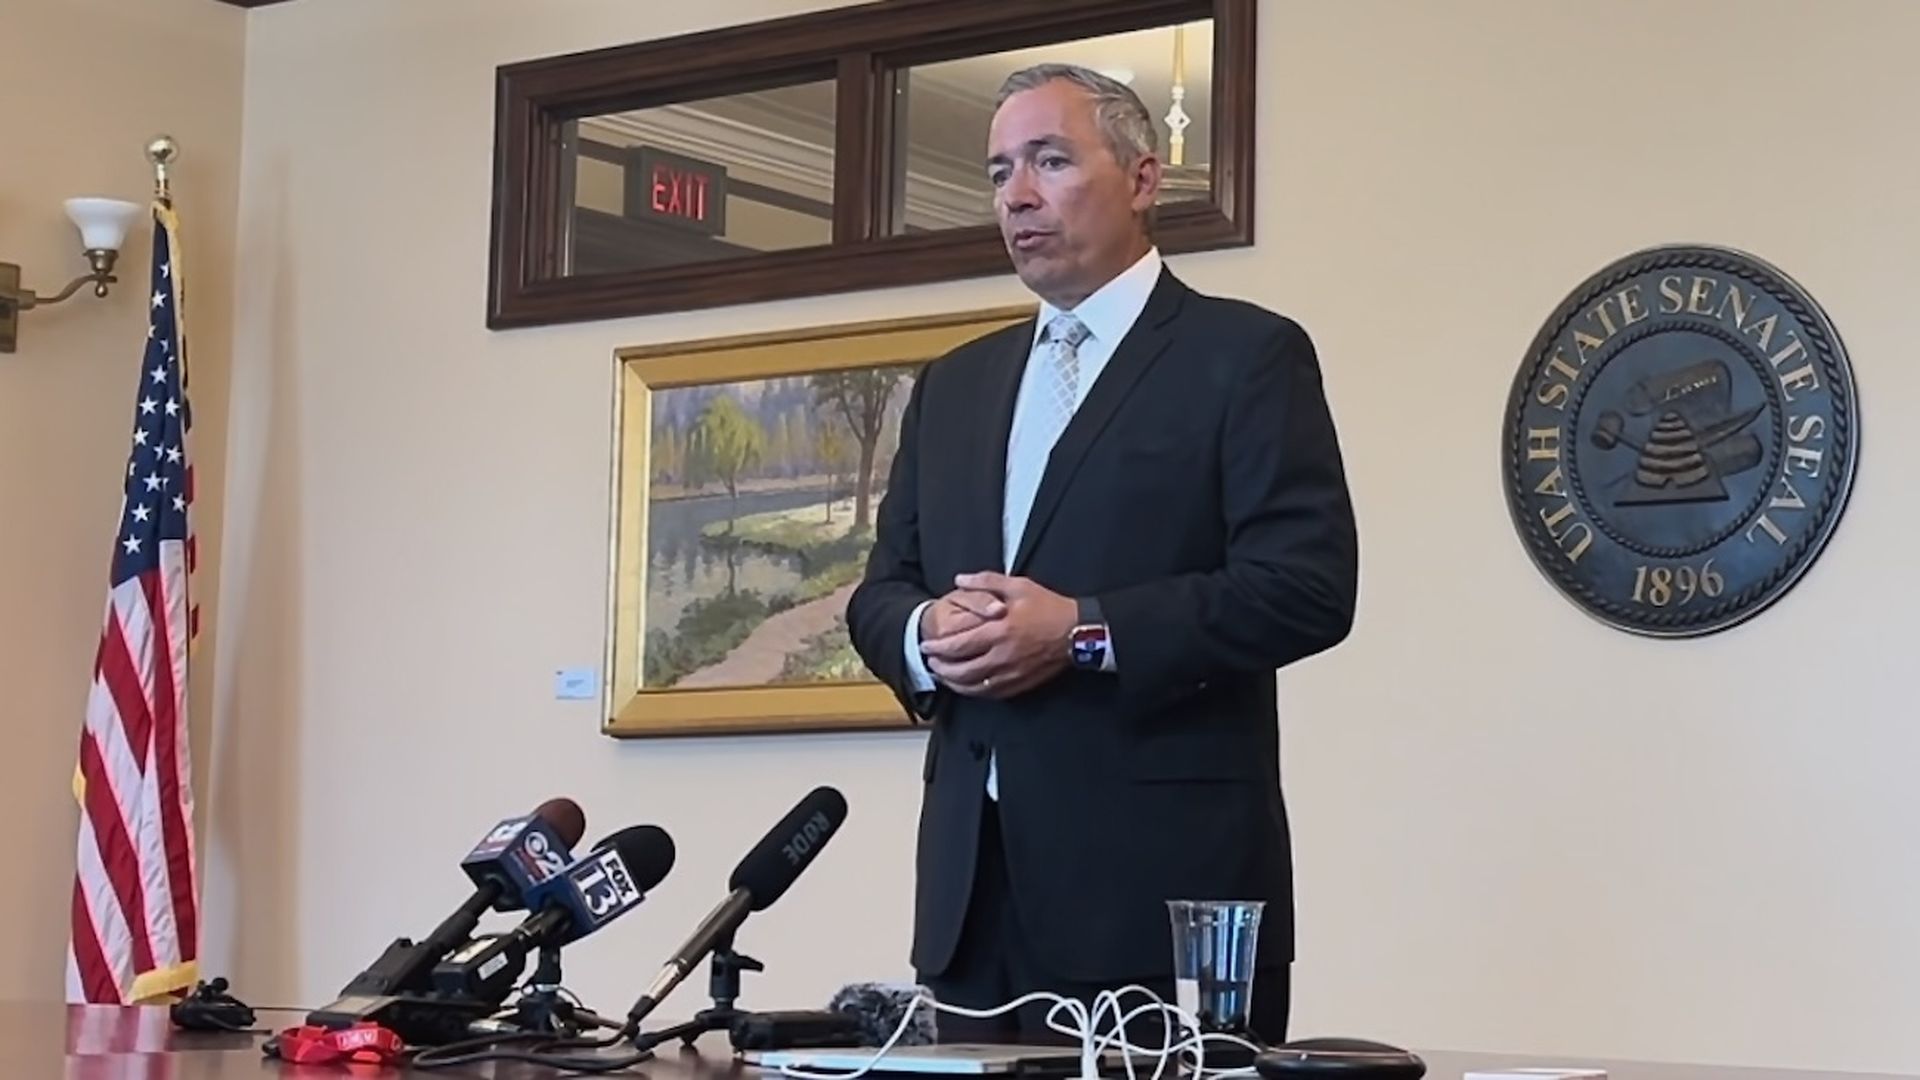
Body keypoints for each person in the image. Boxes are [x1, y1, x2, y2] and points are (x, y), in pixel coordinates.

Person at [845, 62, 1358, 1047]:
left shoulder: (1244, 356)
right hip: (971, 903)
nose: (1017, 196)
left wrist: (1081, 632)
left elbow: (1306, 588)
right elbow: (881, 593)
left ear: (1142, 178)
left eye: (1049, 161)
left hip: (1165, 903)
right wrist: (926, 633)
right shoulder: (954, 385)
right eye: (999, 172)